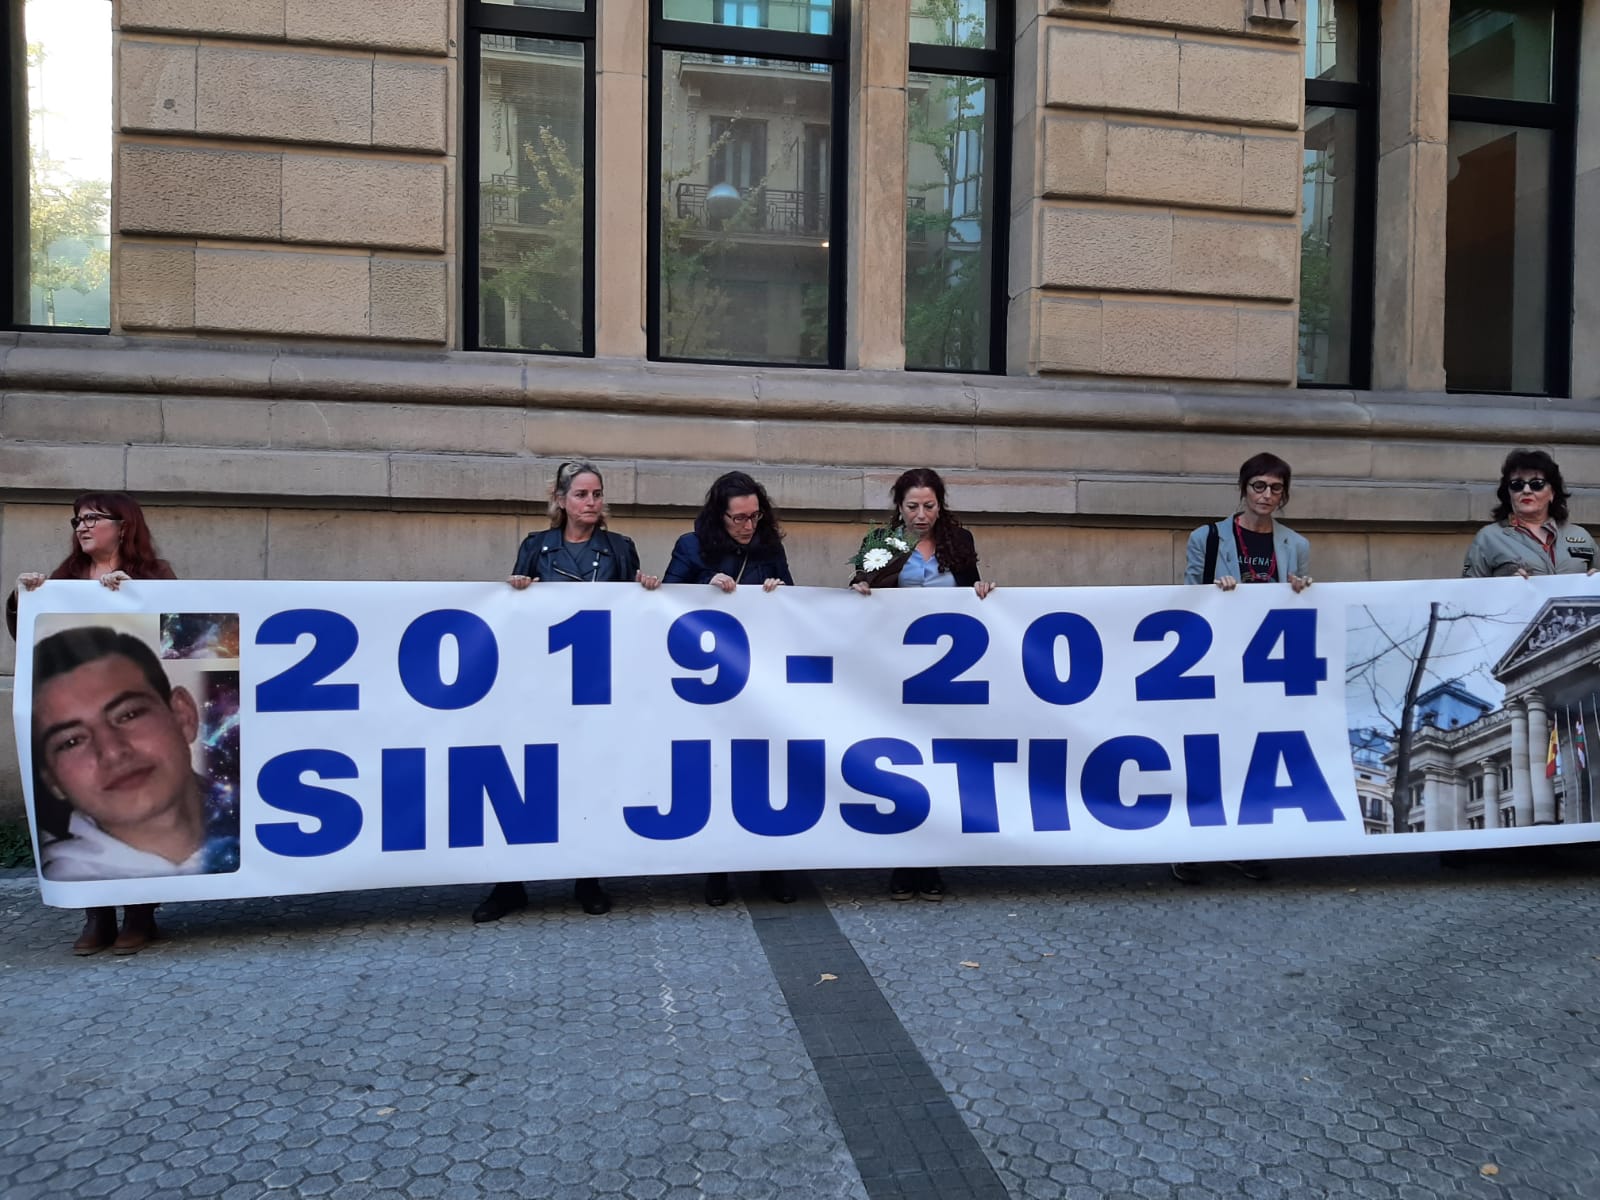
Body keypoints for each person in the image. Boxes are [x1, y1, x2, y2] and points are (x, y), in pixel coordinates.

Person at [472, 461, 662, 924]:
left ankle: (588, 877)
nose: (591, 503)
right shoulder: (536, 548)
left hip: (593, 686)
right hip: (540, 686)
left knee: (588, 778)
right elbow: (514, 617)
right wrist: (517, 587)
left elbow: (630, 617)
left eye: (596, 494)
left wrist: (646, 589)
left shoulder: (619, 549)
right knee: (528, 778)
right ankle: (511, 883)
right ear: (560, 499)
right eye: (581, 495)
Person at [13, 492, 182, 955]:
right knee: (87, 813)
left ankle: (140, 916)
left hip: (128, 710)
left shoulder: (154, 574)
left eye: (93, 519)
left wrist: (139, 598)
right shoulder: (66, 577)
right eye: (78, 520)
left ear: (123, 525)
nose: (82, 527)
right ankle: (97, 917)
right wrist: (24, 598)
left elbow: (180, 633)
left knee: (137, 809)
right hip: (74, 717)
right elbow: (30, 635)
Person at [850, 468, 994, 902]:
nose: (920, 514)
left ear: (940, 504)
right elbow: (859, 587)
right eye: (912, 506)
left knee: (939, 763)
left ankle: (930, 861)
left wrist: (983, 589)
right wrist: (859, 588)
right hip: (898, 673)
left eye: (928, 506)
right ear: (899, 506)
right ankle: (903, 862)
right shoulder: (882, 541)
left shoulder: (958, 540)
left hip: (947, 677)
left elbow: (971, 588)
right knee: (903, 762)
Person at [1175, 453, 1311, 886]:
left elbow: (1301, 603)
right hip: (1215, 661)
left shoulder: (1296, 545)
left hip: (1266, 665)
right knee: (1206, 752)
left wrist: (1301, 590)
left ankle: (1245, 844)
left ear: (1285, 494)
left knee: (1252, 754)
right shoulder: (1209, 537)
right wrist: (1215, 592)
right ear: (1243, 488)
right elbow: (1188, 596)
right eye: (1258, 486)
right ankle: (1189, 846)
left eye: (1275, 488)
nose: (1266, 495)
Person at [664, 471, 797, 907]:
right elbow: (665, 600)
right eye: (739, 518)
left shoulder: (769, 546)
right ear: (719, 515)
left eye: (755, 516)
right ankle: (717, 871)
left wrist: (776, 592)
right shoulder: (692, 546)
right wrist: (705, 589)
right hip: (709, 682)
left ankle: (772, 869)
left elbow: (794, 599)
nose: (747, 526)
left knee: (764, 769)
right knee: (717, 772)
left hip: (760, 677)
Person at [1462, 449, 1598, 578]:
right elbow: (1470, 594)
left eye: (1537, 484)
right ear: (1508, 493)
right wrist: (1502, 587)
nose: (1526, 490)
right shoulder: (1488, 538)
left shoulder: (1581, 536)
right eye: (1517, 484)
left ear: (1552, 493)